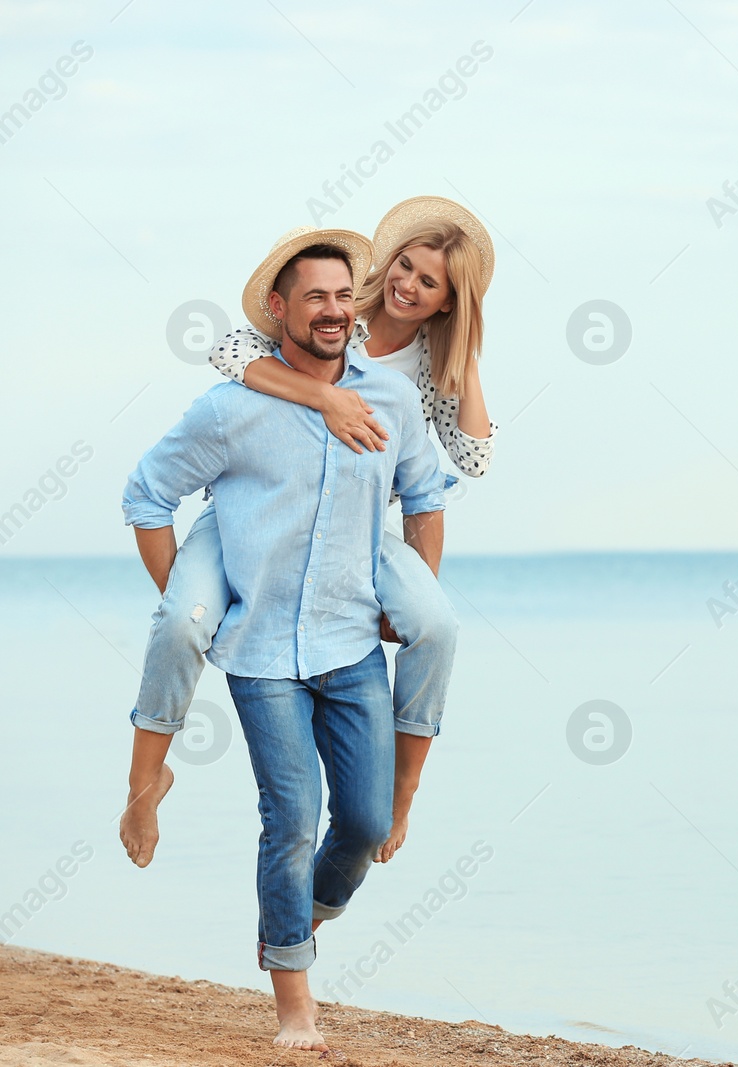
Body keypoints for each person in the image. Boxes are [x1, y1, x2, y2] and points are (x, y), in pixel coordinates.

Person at [121, 229, 451, 1050]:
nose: (335, 311)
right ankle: (295, 1001)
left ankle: (298, 916)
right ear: (279, 309)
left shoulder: (393, 401)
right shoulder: (233, 407)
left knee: (367, 824)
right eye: (316, 297)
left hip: (350, 645)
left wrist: (407, 594)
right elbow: (147, 493)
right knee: (292, 818)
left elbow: (425, 496)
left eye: (345, 296)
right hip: (262, 651)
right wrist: (192, 601)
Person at [117, 197, 495, 870]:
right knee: (182, 619)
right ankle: (145, 781)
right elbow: (228, 350)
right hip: (255, 506)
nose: (407, 284)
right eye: (404, 265)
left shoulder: (434, 369)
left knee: (437, 626)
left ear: (447, 301)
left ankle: (402, 789)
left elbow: (469, 463)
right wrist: (324, 394)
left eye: (429, 283)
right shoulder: (333, 311)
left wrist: (464, 355)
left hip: (357, 524)